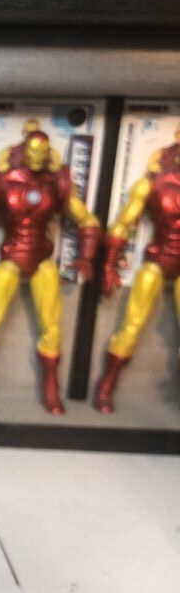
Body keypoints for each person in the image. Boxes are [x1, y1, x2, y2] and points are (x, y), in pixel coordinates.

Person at [0, 122, 101, 414]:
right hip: (11, 260)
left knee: (52, 328)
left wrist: (87, 256)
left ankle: (51, 387)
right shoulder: (2, 179)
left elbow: (88, 221)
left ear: (47, 153)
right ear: (24, 151)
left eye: (43, 152)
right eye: (33, 151)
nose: (37, 157)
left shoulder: (57, 182)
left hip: (42, 260)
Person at [94, 128, 180, 413]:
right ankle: (106, 385)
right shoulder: (153, 184)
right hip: (157, 261)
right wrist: (109, 265)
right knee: (131, 327)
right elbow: (122, 224)